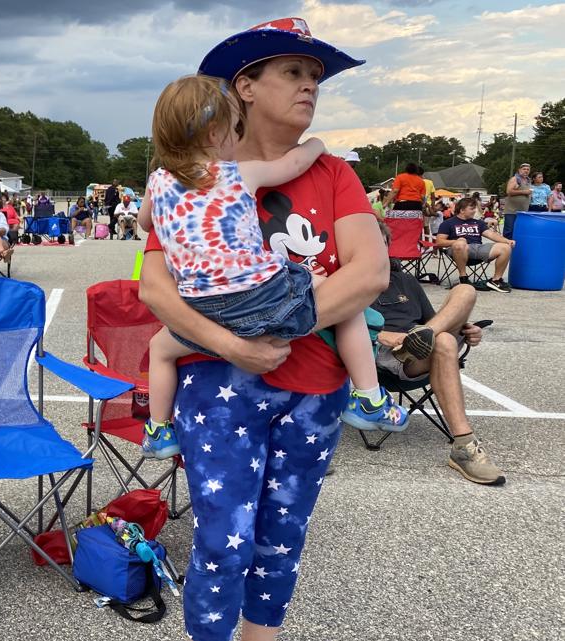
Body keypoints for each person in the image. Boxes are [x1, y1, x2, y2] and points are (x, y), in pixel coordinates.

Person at [141, 18, 387, 641]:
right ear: (244, 87)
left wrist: (280, 330)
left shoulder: (334, 172)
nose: (310, 87)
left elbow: (371, 273)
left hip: (314, 389)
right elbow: (154, 288)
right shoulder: (192, 176)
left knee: (282, 542)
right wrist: (235, 345)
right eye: (294, 72)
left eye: (316, 78)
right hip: (218, 385)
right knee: (222, 544)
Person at [136, 73, 408, 464]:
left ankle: (159, 431)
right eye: (233, 129)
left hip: (201, 306)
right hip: (257, 297)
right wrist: (315, 146)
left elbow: (146, 223)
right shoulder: (237, 173)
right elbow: (292, 164)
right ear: (217, 134)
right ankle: (368, 396)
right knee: (345, 308)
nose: (236, 139)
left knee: (160, 349)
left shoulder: (158, 183)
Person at [371, 222, 504, 485]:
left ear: (387, 247)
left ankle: (416, 340)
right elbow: (337, 329)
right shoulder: (350, 283)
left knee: (464, 291)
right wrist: (378, 335)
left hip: (421, 344)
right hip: (385, 354)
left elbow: (436, 320)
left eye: (380, 243)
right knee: (442, 341)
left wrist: (467, 330)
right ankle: (464, 445)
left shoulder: (406, 281)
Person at [435, 197, 514, 292]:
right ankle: (463, 278)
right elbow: (439, 242)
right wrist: (455, 241)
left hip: (477, 248)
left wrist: (507, 241)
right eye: (471, 209)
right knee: (460, 244)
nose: (474, 211)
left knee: (505, 248)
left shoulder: (478, 223)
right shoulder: (448, 223)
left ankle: (496, 280)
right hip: (458, 249)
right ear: (462, 210)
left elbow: (491, 234)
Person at [502, 162, 531, 239]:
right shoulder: (515, 179)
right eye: (524, 169)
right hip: (512, 211)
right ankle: (505, 248)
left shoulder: (528, 181)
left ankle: (516, 248)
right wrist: (524, 192)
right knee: (509, 231)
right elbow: (508, 191)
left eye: (528, 169)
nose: (526, 171)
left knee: (520, 231)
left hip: (523, 212)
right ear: (519, 170)